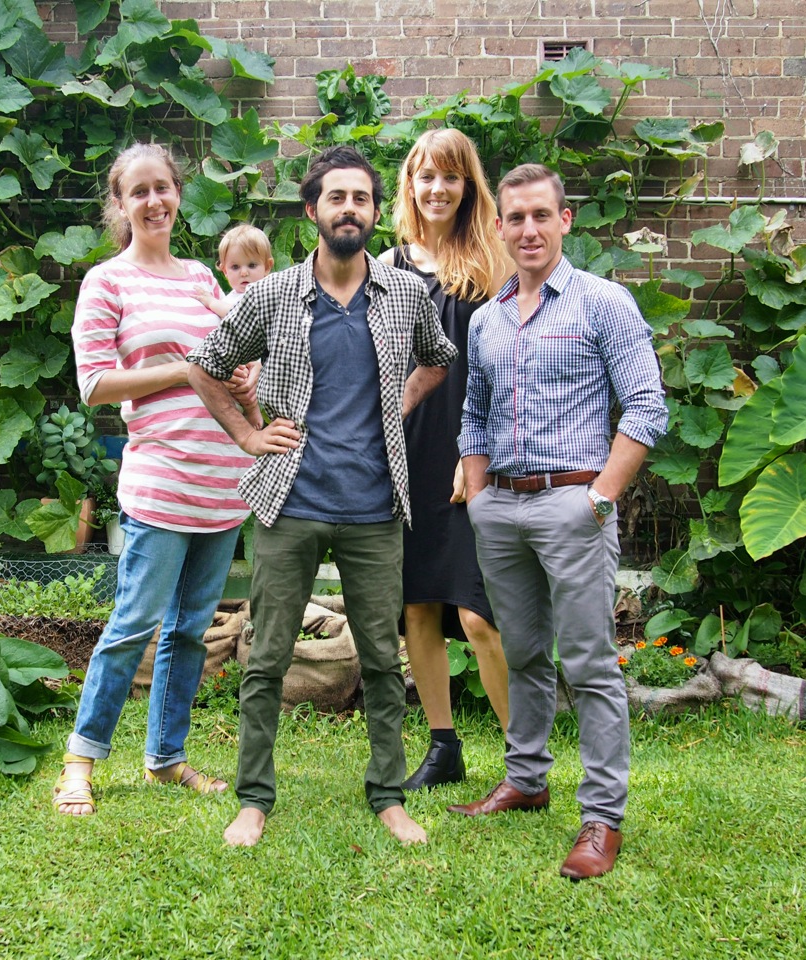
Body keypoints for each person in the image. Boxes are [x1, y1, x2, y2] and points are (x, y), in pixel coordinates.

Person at [186, 146, 459, 847]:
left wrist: (399, 402)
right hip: (290, 502)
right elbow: (207, 365)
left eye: (362, 198)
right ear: (313, 211)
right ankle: (253, 799)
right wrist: (249, 436)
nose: (349, 209)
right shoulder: (272, 294)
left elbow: (439, 359)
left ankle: (390, 797)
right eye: (336, 197)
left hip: (375, 509)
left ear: (373, 211)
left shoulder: (403, 294)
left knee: (380, 657)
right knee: (267, 654)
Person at [447, 164, 667, 881]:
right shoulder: (486, 319)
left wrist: (599, 499)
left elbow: (645, 408)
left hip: (574, 504)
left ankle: (601, 818)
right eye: (515, 218)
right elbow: (473, 412)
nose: (529, 230)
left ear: (565, 220)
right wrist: (479, 496)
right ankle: (527, 779)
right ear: (500, 226)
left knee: (590, 663)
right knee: (526, 652)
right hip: (501, 508)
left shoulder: (603, 304)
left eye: (541, 215)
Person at [53, 142, 258, 817]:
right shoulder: (106, 283)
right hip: (161, 480)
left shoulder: (202, 277)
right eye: (138, 191)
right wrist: (183, 369)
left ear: (178, 193)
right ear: (120, 203)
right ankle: (80, 760)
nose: (153, 202)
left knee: (191, 629)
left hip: (222, 481)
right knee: (135, 622)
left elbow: (233, 352)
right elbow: (95, 385)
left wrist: (244, 372)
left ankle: (165, 759)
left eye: (162, 188)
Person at [378, 128, 513, 791]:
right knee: (417, 608)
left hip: (471, 456)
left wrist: (478, 448)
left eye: (451, 177)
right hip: (405, 454)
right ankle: (443, 748)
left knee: (479, 613)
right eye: (426, 175)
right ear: (410, 184)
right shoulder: (387, 267)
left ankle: (525, 762)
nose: (437, 188)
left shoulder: (494, 261)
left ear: (468, 187)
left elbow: (510, 366)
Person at [194, 223, 275, 318]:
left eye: (252, 265)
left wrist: (212, 302)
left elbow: (238, 315)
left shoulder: (263, 295)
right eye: (235, 267)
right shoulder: (230, 298)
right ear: (225, 271)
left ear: (267, 267)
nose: (244, 273)